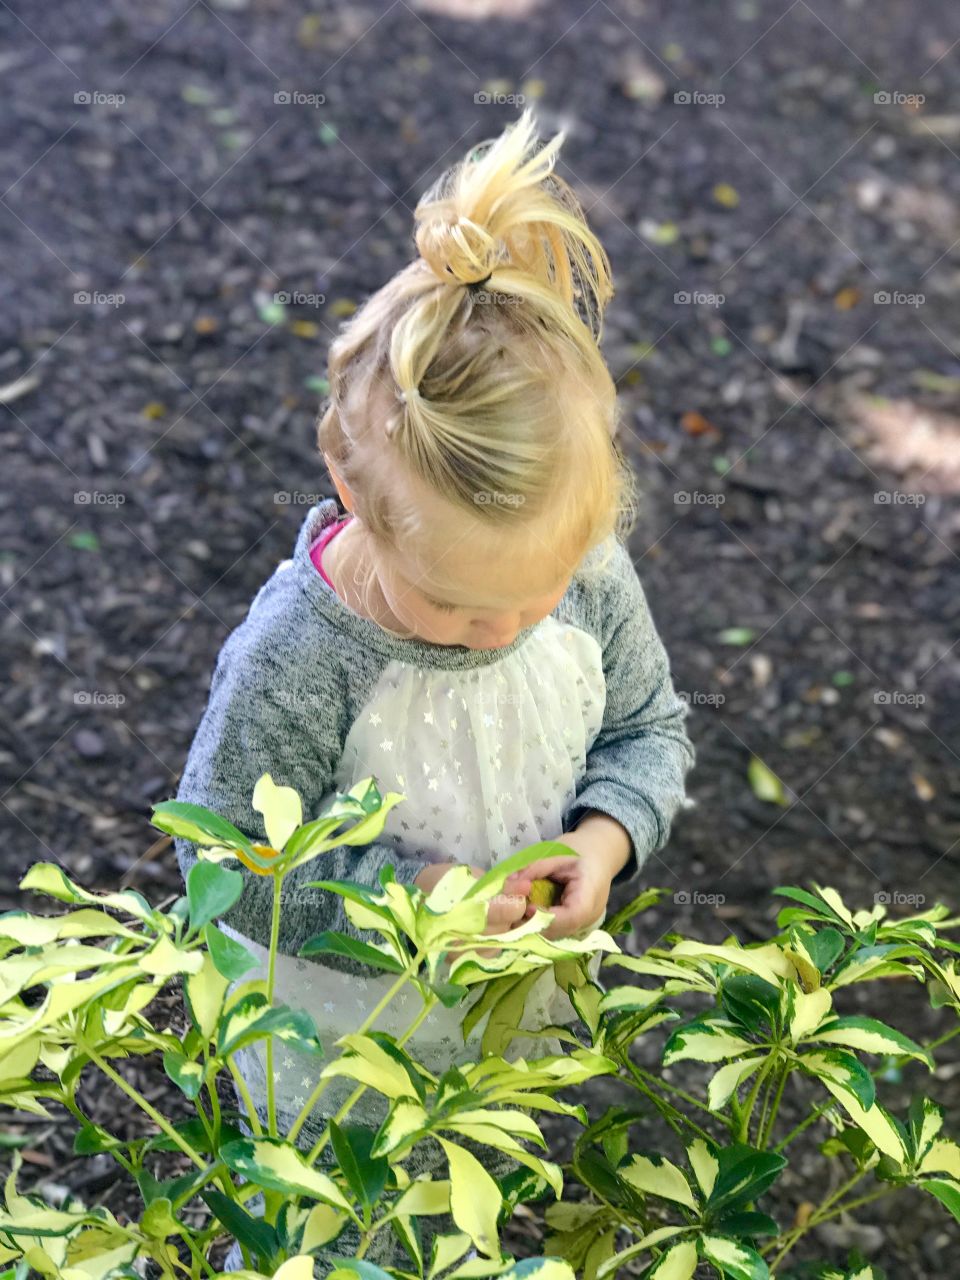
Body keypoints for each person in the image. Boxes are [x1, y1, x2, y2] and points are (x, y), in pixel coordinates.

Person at [173, 106, 695, 1274]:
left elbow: (647, 726)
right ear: (348, 488)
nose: (507, 629)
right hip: (338, 1064)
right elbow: (216, 867)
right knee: (352, 1241)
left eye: (540, 588)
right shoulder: (300, 659)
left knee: (483, 1203)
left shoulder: (584, 575)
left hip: (506, 1033)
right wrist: (416, 900)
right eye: (460, 606)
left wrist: (606, 842)